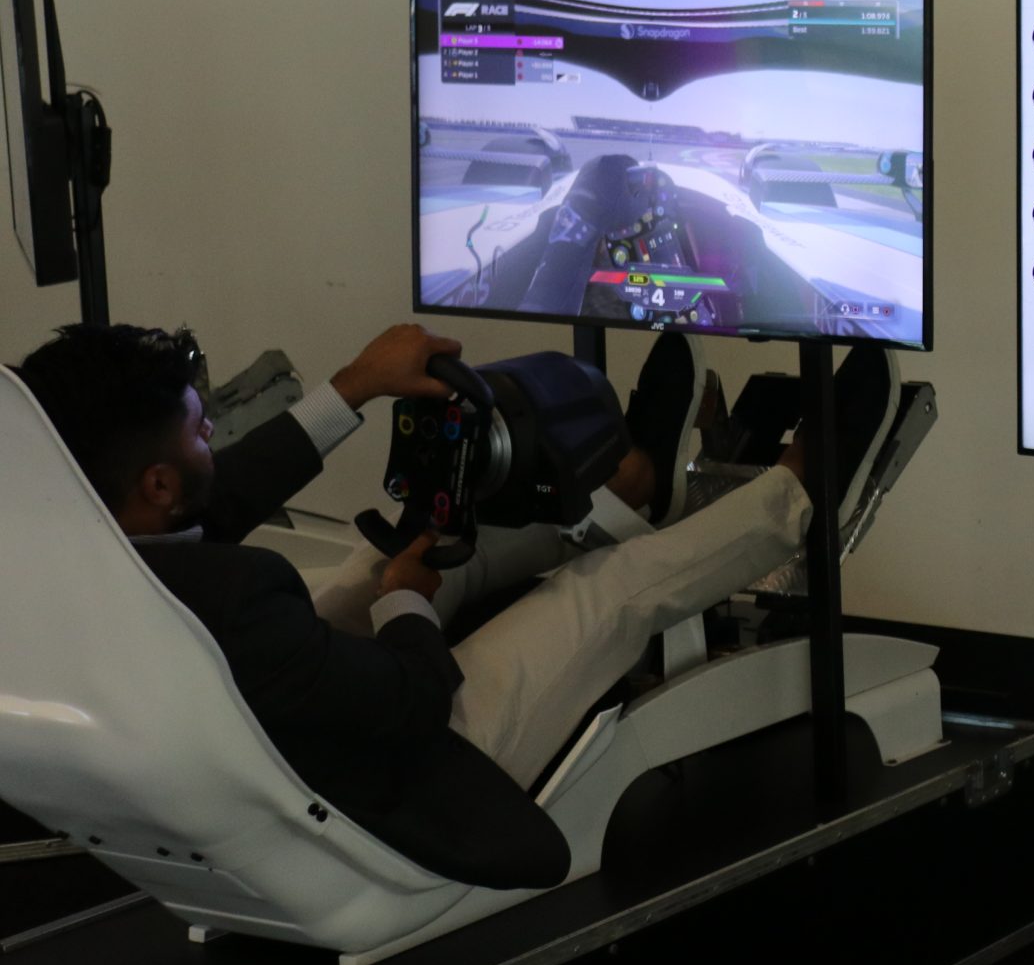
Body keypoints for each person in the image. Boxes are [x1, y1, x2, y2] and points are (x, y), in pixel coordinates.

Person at [13, 320, 831, 889]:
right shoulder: (239, 597)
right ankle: (798, 489)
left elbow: (212, 504)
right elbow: (411, 700)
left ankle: (636, 491)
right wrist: (407, 605)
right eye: (201, 433)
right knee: (607, 590)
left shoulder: (64, 550)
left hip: (255, 758)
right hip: (385, 805)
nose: (213, 444)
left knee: (398, 551)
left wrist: (356, 386)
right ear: (159, 483)